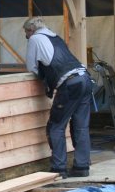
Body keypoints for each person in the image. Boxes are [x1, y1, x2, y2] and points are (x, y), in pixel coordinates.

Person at [23, 17, 93, 178]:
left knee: (55, 126)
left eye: (26, 32)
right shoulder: (55, 37)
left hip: (70, 84)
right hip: (85, 78)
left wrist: (44, 79)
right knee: (81, 126)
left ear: (31, 29)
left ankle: (59, 168)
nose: (26, 36)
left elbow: (31, 67)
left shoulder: (35, 39)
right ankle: (82, 167)